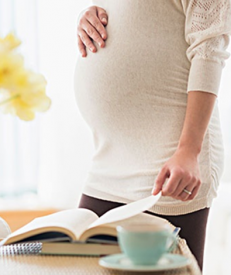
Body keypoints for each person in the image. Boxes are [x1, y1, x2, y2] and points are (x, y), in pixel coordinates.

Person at [74, 0, 231, 271]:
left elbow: (209, 50)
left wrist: (189, 150)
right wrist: (88, 16)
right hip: (108, 163)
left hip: (169, 161)